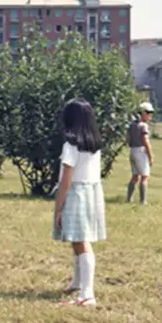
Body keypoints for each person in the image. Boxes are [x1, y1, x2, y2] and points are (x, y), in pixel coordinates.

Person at [52, 99, 107, 306]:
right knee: (77, 240)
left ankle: (87, 293)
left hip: (76, 193)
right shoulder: (94, 145)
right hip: (92, 192)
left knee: (82, 242)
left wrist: (59, 208)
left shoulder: (70, 145)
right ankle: (78, 282)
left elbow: (66, 178)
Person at [125, 101, 155, 203]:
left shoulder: (132, 125)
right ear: (143, 113)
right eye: (149, 113)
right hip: (141, 151)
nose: (150, 115)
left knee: (135, 176)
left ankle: (129, 198)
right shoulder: (143, 126)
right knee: (145, 177)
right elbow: (145, 141)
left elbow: (128, 138)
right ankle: (143, 201)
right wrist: (150, 156)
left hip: (132, 150)